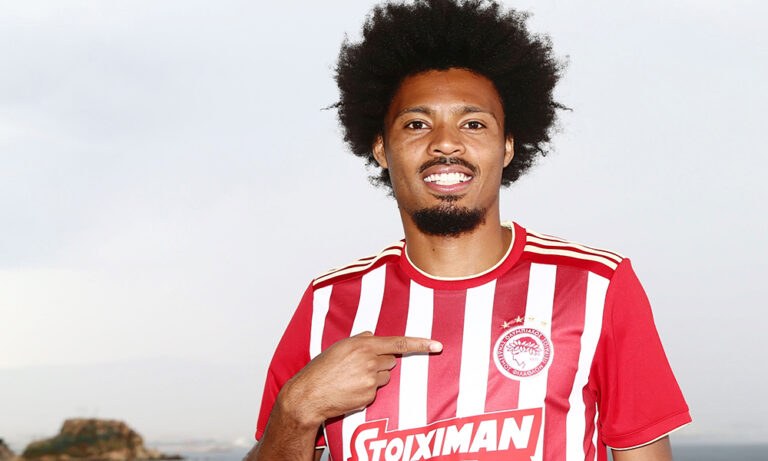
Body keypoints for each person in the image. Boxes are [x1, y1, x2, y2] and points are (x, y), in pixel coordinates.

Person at [248, 0, 691, 460]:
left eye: (473, 123)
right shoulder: (328, 303)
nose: (445, 143)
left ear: (507, 147)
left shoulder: (597, 286)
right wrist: (296, 412)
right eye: (417, 124)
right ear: (381, 148)